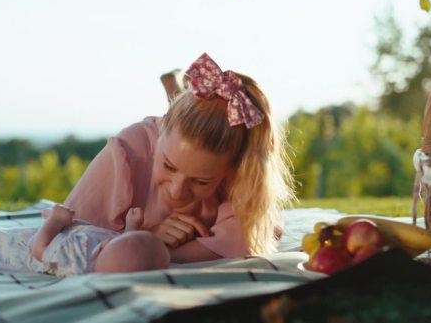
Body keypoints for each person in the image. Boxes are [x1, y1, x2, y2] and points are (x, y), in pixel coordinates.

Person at [60, 53, 296, 263]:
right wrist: (146, 238)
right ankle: (175, 90)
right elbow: (66, 234)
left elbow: (250, 237)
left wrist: (159, 254)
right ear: (161, 128)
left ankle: (177, 89)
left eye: (201, 181)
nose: (176, 191)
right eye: (168, 165)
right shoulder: (128, 151)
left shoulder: (242, 169)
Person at [0, 204, 170, 276]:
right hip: (67, 233)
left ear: (106, 247)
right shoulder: (116, 257)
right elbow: (129, 253)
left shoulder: (75, 261)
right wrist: (130, 228)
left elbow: (39, 249)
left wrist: (55, 222)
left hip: (25, 250)